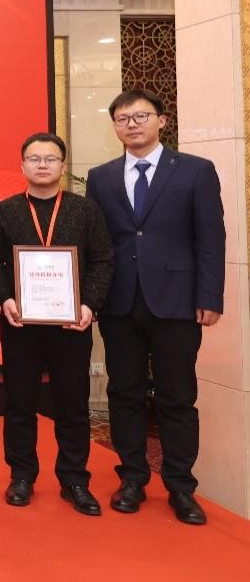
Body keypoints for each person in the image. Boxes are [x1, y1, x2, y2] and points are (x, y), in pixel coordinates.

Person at [86, 88, 225, 525]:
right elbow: (97, 244)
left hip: (178, 301)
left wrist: (209, 297)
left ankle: (181, 486)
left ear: (161, 121)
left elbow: (211, 238)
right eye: (122, 119)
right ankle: (132, 477)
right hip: (120, 301)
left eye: (140, 116)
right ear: (114, 126)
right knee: (123, 391)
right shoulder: (101, 177)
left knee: (177, 395)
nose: (132, 124)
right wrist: (92, 296)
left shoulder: (196, 171)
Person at [0, 133, 113, 515]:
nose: (42, 165)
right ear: (22, 165)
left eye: (50, 159)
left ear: (62, 165)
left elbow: (103, 260)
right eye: (35, 158)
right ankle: (22, 475)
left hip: (71, 326)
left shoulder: (85, 211)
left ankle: (74, 479)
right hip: (20, 325)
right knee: (19, 402)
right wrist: (5, 298)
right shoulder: (5, 211)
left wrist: (89, 305)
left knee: (72, 404)